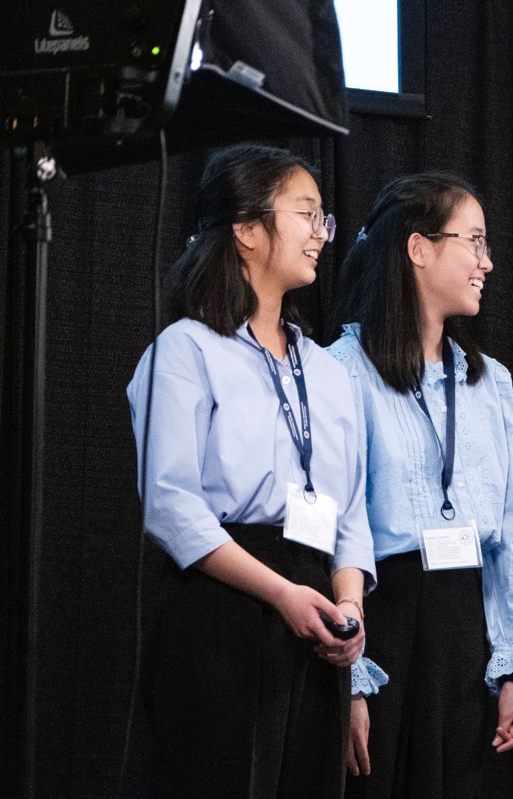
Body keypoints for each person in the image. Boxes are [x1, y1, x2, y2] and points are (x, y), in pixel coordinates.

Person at [126, 143, 375, 797]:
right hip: (223, 606)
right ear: (246, 228)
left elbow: (349, 512)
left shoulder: (326, 369)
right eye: (306, 214)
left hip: (316, 609)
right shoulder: (185, 350)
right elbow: (170, 502)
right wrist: (280, 593)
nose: (323, 233)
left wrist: (347, 607)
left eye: (326, 218)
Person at [328, 172, 513, 797]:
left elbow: (512, 527)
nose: (488, 261)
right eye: (473, 241)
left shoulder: (489, 382)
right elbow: (335, 527)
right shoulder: (340, 371)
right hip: (382, 623)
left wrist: (512, 668)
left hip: (465, 630)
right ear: (418, 248)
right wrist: (350, 678)